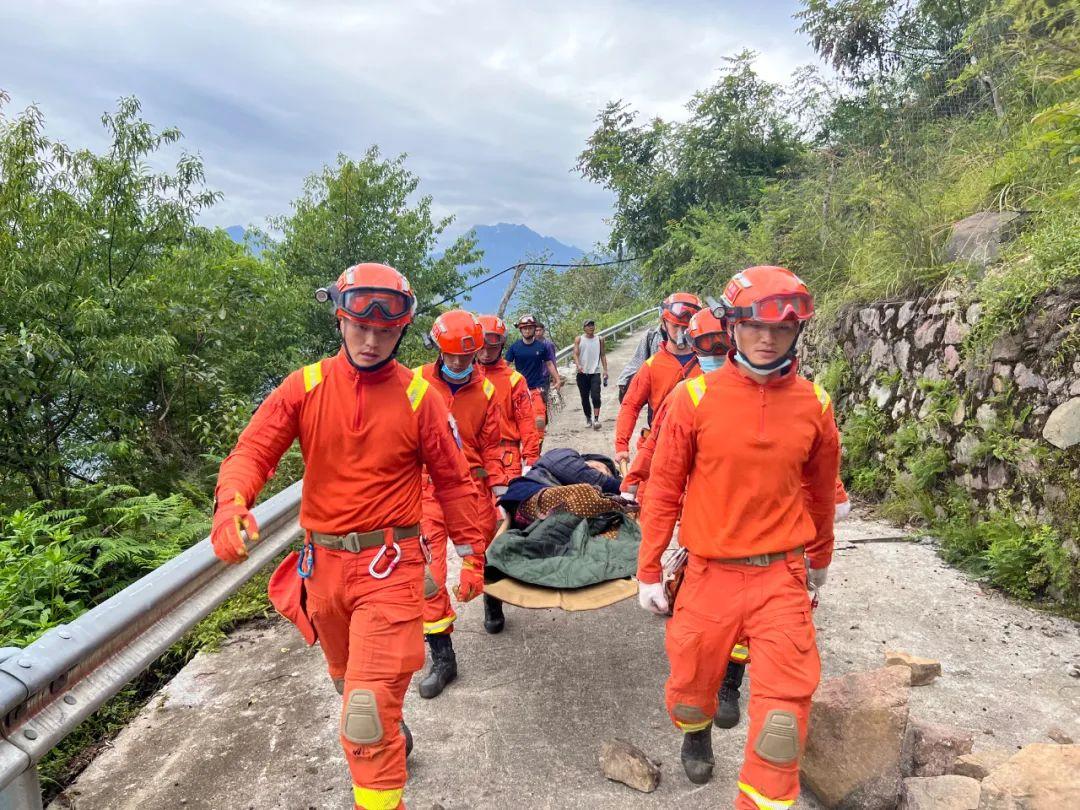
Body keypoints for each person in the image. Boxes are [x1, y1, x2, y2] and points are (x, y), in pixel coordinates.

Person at [212, 263, 488, 810]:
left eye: (386, 331)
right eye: (360, 326)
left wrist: (470, 554)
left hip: (391, 568)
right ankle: (392, 725)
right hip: (324, 575)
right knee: (349, 691)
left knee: (361, 717)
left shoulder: (418, 398)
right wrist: (231, 503)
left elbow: (455, 482)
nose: (371, 339)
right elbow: (253, 451)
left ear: (402, 330)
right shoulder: (306, 386)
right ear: (340, 319)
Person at [636, 265, 840, 807]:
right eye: (753, 325)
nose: (767, 338)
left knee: (781, 724)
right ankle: (697, 732)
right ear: (732, 326)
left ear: (798, 332)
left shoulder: (815, 406)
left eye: (781, 329)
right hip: (706, 574)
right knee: (688, 693)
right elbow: (663, 490)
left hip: (782, 577)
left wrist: (820, 558)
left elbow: (821, 493)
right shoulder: (693, 399)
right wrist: (649, 569)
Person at [414, 310, 504, 696]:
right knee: (428, 576)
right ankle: (443, 657)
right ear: (438, 350)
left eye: (465, 358)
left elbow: (492, 447)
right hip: (427, 492)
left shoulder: (485, 392)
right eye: (450, 356)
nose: (457, 364)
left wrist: (502, 492)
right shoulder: (415, 383)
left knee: (481, 555)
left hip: (470, 491)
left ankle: (493, 601)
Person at [614, 292, 702, 464]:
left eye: (686, 327)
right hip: (660, 449)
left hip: (700, 449)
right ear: (664, 324)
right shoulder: (651, 366)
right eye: (675, 326)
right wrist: (621, 447)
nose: (681, 333)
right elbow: (631, 405)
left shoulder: (708, 363)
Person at [476, 314, 542, 479]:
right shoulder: (465, 377)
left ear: (501, 346)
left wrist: (531, 458)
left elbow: (526, 421)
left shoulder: (514, 380)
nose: (486, 353)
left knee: (504, 504)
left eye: (492, 348)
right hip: (473, 456)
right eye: (481, 348)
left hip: (506, 457)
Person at [505, 314, 563, 445]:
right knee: (519, 422)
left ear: (534, 329)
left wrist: (557, 379)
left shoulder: (541, 347)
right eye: (524, 328)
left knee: (540, 421)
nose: (527, 330)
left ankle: (537, 452)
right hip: (520, 390)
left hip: (538, 388)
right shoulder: (515, 348)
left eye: (530, 328)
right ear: (520, 330)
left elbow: (549, 363)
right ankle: (524, 448)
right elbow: (504, 365)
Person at [573, 319, 609, 429]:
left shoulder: (599, 339)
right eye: (588, 326)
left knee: (596, 396)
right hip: (582, 373)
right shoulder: (579, 339)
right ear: (584, 328)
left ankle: (596, 419)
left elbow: (603, 355)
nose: (591, 327)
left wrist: (605, 370)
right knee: (584, 398)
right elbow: (575, 354)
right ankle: (588, 417)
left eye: (592, 325)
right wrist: (578, 365)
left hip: (595, 372)